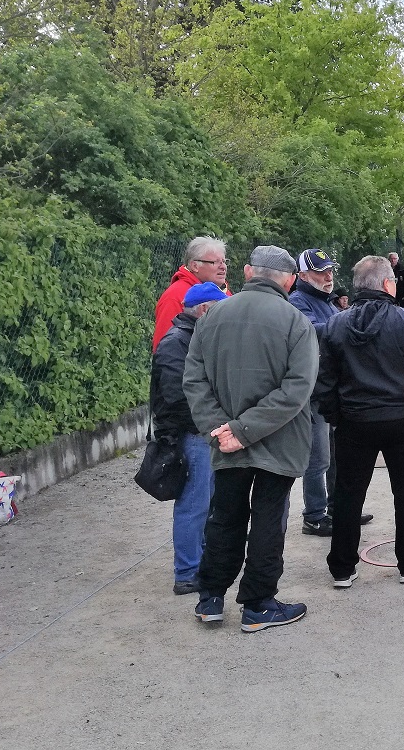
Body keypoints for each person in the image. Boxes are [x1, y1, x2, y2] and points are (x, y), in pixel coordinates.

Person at [182, 246, 317, 632]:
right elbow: (297, 388)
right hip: (279, 440)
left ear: (246, 271)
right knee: (268, 519)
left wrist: (222, 430)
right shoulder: (296, 321)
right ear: (290, 280)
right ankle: (258, 604)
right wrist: (243, 431)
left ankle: (210, 598)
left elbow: (194, 380)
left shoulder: (212, 317)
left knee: (225, 516)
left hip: (225, 441)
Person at [314, 256, 404, 587]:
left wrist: (336, 417)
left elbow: (324, 381)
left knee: (348, 494)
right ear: (388, 284)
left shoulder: (335, 324)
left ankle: (343, 569)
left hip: (355, 422)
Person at [151, 281, 228, 594]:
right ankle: (187, 573)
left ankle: (198, 564)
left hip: (201, 433)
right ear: (206, 310)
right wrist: (207, 424)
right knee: (193, 505)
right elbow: (174, 396)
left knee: (204, 501)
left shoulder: (191, 337)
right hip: (193, 435)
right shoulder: (177, 342)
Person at [288, 248, 339, 537]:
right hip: (313, 393)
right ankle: (314, 516)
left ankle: (336, 508)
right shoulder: (297, 301)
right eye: (321, 272)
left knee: (335, 455)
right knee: (317, 459)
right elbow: (312, 331)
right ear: (303, 276)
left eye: (330, 270)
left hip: (329, 391)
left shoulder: (326, 301)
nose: (328, 276)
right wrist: (345, 323)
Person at [153, 236, 227, 352]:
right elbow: (165, 349)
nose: (223, 267)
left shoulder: (223, 291)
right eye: (215, 262)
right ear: (195, 266)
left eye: (224, 261)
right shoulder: (175, 296)